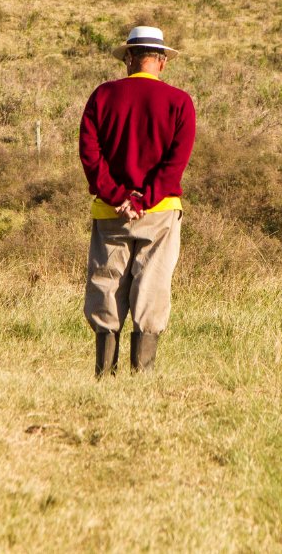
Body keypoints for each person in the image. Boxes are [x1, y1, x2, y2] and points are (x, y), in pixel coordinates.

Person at [79, 26, 197, 377]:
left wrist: (117, 196)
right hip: (159, 211)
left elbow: (89, 153)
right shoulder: (180, 103)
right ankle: (141, 374)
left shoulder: (102, 96)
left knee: (106, 284)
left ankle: (104, 374)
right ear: (162, 63)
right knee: (152, 286)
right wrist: (146, 198)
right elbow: (176, 162)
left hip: (110, 212)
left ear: (129, 59)